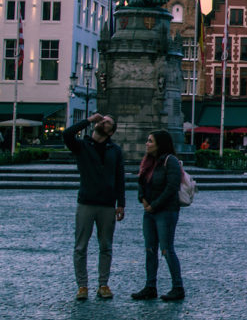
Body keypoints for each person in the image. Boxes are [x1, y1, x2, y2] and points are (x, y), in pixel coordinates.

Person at [63, 113, 126, 301]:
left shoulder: (115, 150)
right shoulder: (82, 145)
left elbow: (119, 178)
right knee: (80, 246)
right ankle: (82, 286)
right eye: (103, 120)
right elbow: (67, 134)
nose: (103, 122)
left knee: (105, 246)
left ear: (111, 131)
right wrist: (89, 120)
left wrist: (121, 204)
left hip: (107, 204)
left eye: (108, 122)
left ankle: (103, 284)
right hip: (86, 201)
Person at [132, 130, 185, 302]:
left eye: (150, 141)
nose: (147, 143)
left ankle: (178, 287)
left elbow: (172, 187)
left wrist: (154, 205)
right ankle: (150, 286)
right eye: (147, 140)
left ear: (160, 144)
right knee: (150, 249)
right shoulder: (147, 162)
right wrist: (143, 200)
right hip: (149, 211)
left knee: (166, 249)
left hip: (166, 211)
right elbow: (141, 182)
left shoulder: (171, 162)